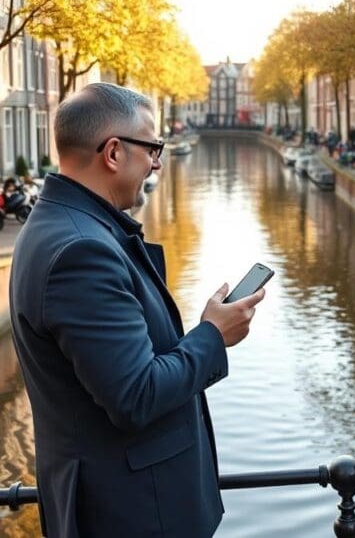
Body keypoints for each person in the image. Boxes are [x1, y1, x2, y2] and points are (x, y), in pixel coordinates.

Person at [10, 83, 264, 537]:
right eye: (152, 147)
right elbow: (136, 395)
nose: (157, 162)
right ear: (113, 152)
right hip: (134, 511)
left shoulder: (56, 225)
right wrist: (212, 335)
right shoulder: (82, 250)